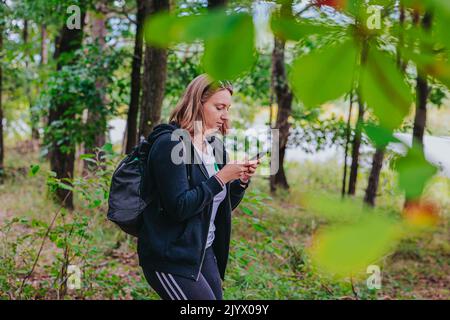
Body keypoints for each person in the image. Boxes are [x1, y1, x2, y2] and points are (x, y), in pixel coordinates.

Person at [137, 74, 260, 300]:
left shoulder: (214, 146)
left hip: (203, 250)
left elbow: (221, 205)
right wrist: (221, 178)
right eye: (219, 107)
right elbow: (179, 207)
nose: (225, 115)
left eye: (228, 108)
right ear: (197, 103)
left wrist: (240, 181)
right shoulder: (171, 143)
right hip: (170, 257)